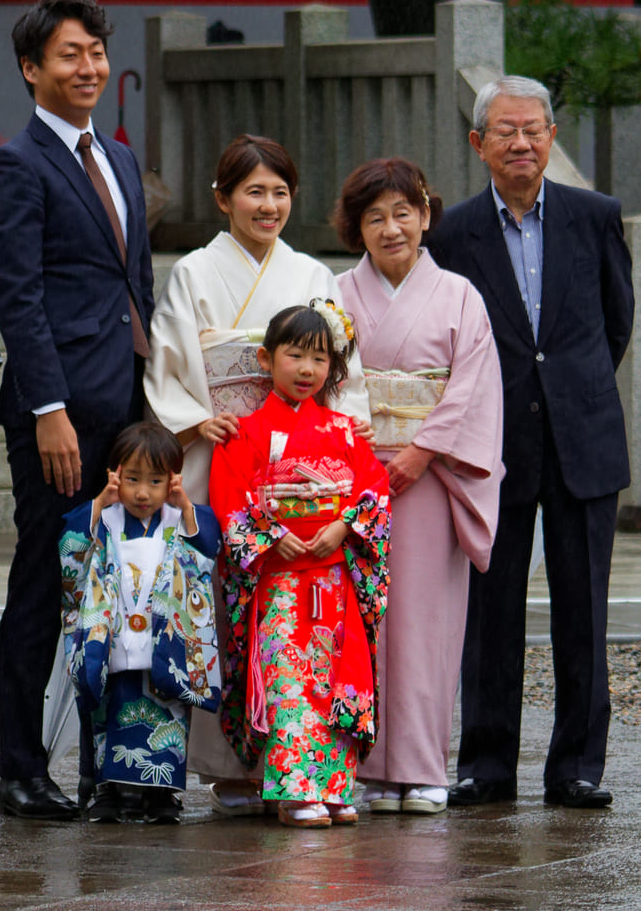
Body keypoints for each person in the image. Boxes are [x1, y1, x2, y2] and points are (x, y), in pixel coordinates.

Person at [142, 134, 369, 816]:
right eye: (253, 192)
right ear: (223, 199)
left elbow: (340, 370)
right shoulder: (193, 272)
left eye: (279, 192)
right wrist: (191, 418)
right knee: (224, 608)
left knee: (302, 623)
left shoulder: (310, 275)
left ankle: (295, 766)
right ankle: (227, 765)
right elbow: (170, 359)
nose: (268, 205)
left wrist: (340, 437)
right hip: (227, 448)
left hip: (301, 470)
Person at [424, 76, 632, 810]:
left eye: (535, 129)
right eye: (506, 131)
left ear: (551, 137)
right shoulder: (450, 235)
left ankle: (577, 765)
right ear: (479, 144)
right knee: (489, 608)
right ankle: (486, 764)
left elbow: (616, 325)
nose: (522, 142)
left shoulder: (596, 216)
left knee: (584, 609)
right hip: (489, 445)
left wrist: (568, 391)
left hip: (583, 436)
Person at [0, 0, 155, 821]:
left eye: (95, 53)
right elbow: (19, 297)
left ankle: (112, 764)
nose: (88, 67)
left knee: (122, 587)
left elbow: (136, 283)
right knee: (47, 583)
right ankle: (20, 768)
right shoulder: (17, 165)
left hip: (125, 406)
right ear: (31, 68)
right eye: (69, 55)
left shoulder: (119, 156)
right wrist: (46, 406)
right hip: (59, 415)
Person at [332, 157, 504, 815]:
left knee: (427, 623)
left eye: (403, 212)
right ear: (357, 228)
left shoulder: (460, 295)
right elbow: (329, 380)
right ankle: (369, 765)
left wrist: (422, 451)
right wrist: (362, 455)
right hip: (359, 477)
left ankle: (425, 765)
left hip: (433, 478)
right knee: (362, 621)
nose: (391, 227)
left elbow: (472, 388)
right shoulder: (339, 296)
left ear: (427, 215)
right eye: (374, 217)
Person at [211, 303, 390, 829]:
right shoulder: (244, 431)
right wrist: (269, 535)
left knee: (335, 678)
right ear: (267, 359)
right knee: (289, 677)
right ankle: (293, 789)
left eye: (319, 358)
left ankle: (334, 787)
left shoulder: (345, 431)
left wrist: (344, 527)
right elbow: (230, 499)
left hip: (333, 579)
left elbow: (373, 490)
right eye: (295, 355)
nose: (307, 369)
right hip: (281, 581)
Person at [59, 422, 221, 825]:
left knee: (168, 714)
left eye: (155, 481)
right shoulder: (105, 518)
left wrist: (185, 506)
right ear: (115, 475)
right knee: (108, 714)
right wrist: (100, 500)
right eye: (132, 479)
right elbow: (70, 553)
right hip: (113, 637)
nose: (143, 492)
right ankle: (108, 792)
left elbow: (209, 549)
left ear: (173, 481)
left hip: (162, 642)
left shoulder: (179, 519)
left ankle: (162, 794)